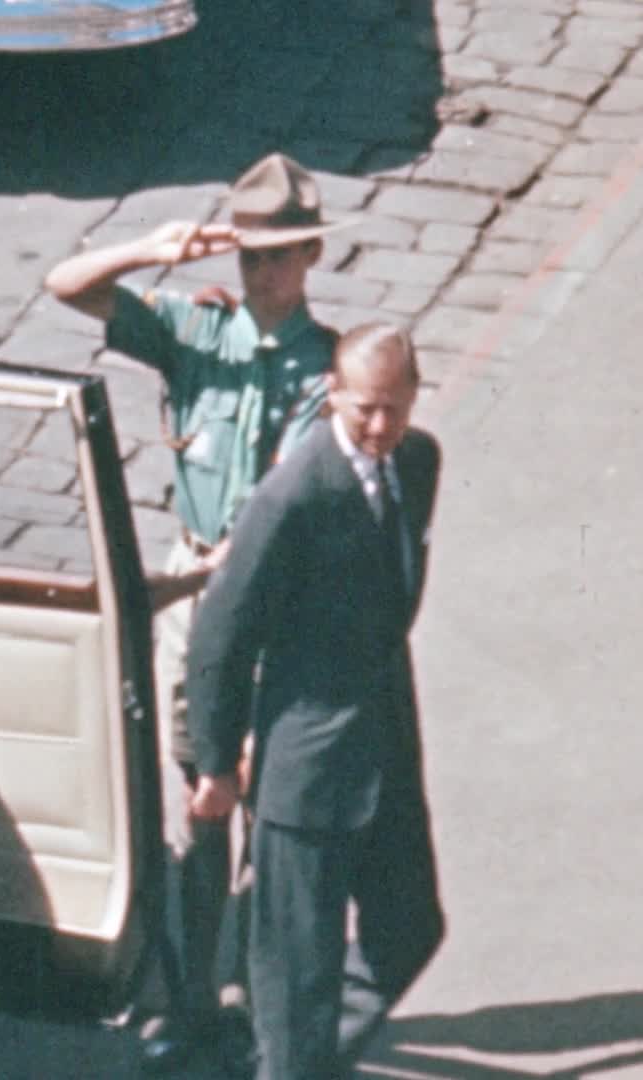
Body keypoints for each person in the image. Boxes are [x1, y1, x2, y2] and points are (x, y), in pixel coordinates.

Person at [43, 151, 352, 1074]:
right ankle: (189, 997)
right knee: (198, 793)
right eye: (252, 256)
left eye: (282, 256)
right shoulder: (194, 331)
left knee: (273, 801)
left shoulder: (331, 365)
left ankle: (263, 998)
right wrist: (153, 247)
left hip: (281, 597)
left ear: (313, 257)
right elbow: (64, 286)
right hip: (194, 587)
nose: (264, 273)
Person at [183, 323, 446, 1080]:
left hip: (386, 755)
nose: (380, 426)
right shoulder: (292, 495)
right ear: (332, 394)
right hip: (306, 777)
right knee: (297, 982)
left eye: (396, 407)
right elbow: (219, 639)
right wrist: (215, 762)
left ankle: (302, 1064)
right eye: (365, 408)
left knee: (410, 929)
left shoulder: (418, 462)